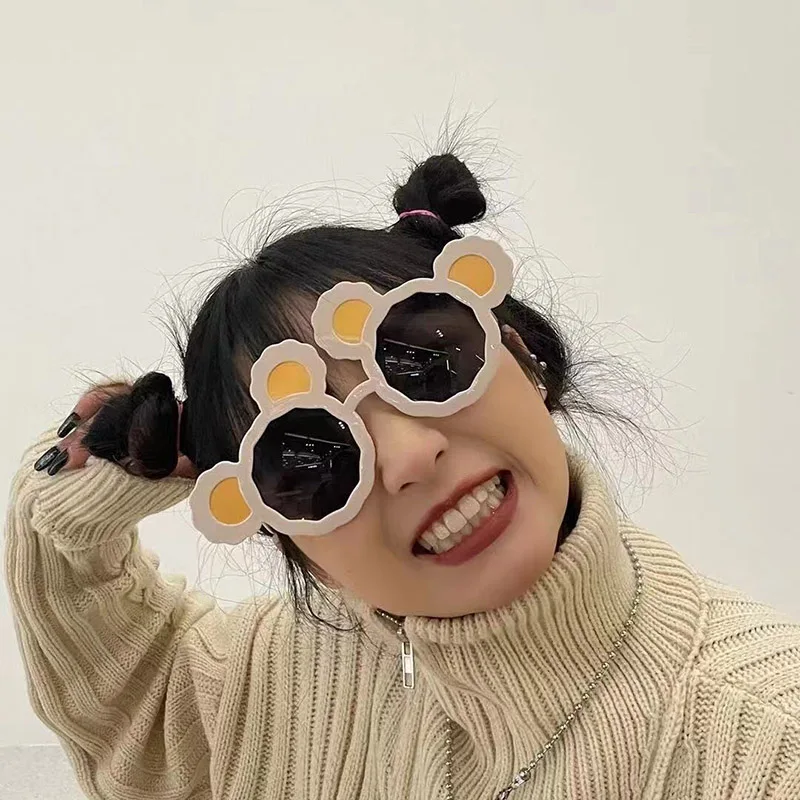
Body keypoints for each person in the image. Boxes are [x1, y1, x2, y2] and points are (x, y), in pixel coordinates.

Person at [6, 153, 800, 800]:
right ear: (292, 541)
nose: (411, 456)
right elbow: (127, 700)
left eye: (427, 362)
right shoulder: (277, 684)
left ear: (520, 354)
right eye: (308, 454)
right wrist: (88, 480)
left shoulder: (766, 740)